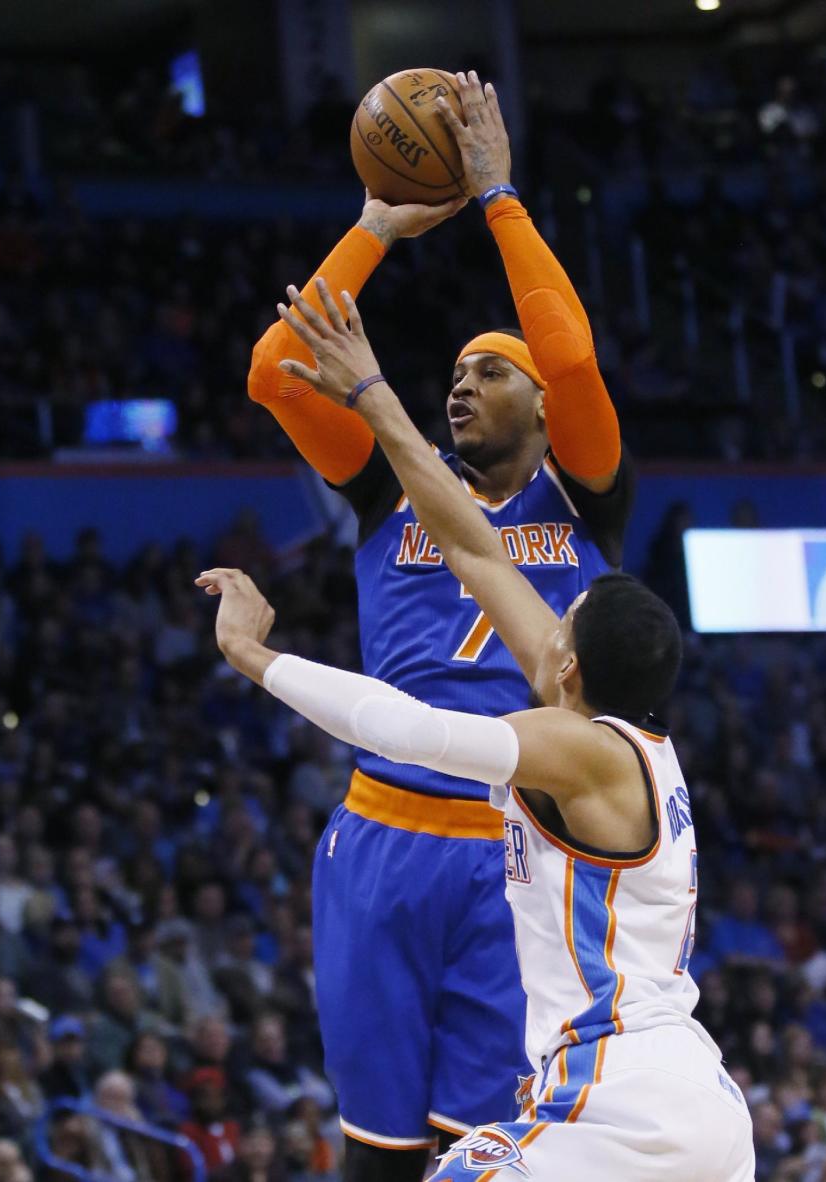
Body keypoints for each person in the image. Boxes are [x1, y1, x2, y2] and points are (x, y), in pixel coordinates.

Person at [196, 284, 754, 1177]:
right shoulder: (624, 737)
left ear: (565, 666)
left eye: (559, 625)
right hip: (695, 1097)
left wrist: (257, 659)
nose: (545, 622)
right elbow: (478, 551)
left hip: (618, 1112)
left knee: (460, 1167)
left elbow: (409, 727)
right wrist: (376, 398)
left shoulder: (569, 750)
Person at [246, 70, 633, 1174]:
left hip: (517, 850)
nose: (463, 384)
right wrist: (374, 224)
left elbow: (568, 354)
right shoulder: (391, 483)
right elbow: (277, 371)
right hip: (385, 833)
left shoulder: (587, 493)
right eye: (455, 370)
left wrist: (500, 198)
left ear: (545, 412)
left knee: (481, 1154)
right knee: (375, 1152)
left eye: (490, 372)